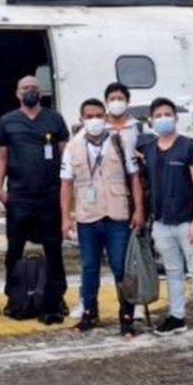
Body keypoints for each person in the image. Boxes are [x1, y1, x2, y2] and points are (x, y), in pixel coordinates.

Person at [60, 98, 145, 336]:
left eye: (99, 115)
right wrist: (65, 218)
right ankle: (90, 312)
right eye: (89, 116)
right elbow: (66, 184)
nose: (95, 120)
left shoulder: (120, 142)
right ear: (81, 119)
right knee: (89, 268)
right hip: (88, 217)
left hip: (117, 215)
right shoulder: (72, 146)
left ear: (106, 118)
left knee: (121, 267)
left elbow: (134, 178)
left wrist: (139, 209)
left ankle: (127, 314)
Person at [0, 75, 70, 324]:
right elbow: (2, 157)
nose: (30, 91)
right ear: (17, 93)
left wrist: (68, 191)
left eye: (34, 88)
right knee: (14, 249)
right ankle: (14, 296)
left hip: (50, 195)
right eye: (25, 88)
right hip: (19, 196)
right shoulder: (7, 121)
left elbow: (65, 154)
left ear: (41, 92)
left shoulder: (54, 119)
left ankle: (57, 297)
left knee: (53, 249)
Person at [139, 97, 193, 340]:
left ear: (175, 117)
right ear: (151, 120)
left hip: (186, 221)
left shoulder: (189, 147)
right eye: (158, 115)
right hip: (161, 222)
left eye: (167, 114)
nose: (163, 118)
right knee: (172, 271)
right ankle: (177, 316)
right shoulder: (148, 149)